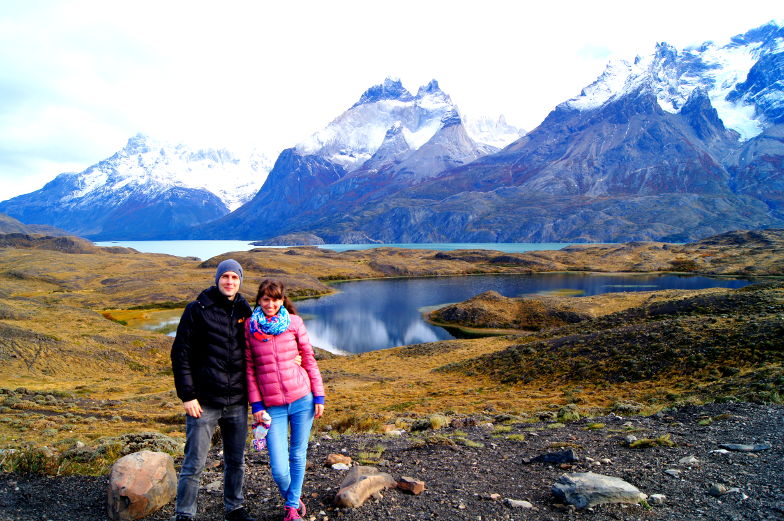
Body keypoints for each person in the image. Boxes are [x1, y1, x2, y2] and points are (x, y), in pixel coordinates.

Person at [170, 259, 256, 521]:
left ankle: (235, 507)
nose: (229, 281)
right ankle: (184, 514)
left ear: (240, 281)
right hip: (204, 402)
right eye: (225, 276)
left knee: (236, 461)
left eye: (234, 277)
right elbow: (180, 354)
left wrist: (294, 358)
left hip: (237, 401)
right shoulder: (197, 309)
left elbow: (262, 348)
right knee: (194, 463)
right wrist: (187, 396)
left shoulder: (245, 310)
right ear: (217, 279)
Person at [245, 279, 325, 521]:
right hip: (272, 407)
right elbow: (248, 369)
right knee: (279, 468)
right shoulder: (250, 327)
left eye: (276, 299)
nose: (271, 304)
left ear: (283, 300)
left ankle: (291, 508)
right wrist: (256, 405)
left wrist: (319, 395)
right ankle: (293, 497)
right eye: (266, 299)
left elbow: (309, 359)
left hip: (302, 399)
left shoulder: (294, 322)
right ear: (259, 300)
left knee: (298, 454)